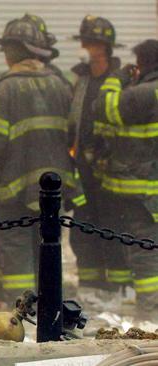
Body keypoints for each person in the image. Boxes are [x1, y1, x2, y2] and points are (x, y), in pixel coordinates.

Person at [0, 17, 84, 303]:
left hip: (14, 189)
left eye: (7, 49)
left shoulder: (5, 89)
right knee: (48, 245)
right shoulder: (61, 85)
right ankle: (50, 306)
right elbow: (73, 134)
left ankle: (22, 309)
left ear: (15, 50)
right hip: (53, 189)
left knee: (15, 246)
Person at [68, 15, 131, 307]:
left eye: (92, 43)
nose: (87, 48)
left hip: (112, 167)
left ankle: (118, 286)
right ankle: (90, 284)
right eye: (85, 42)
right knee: (83, 225)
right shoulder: (80, 79)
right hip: (82, 167)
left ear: (105, 47)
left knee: (113, 225)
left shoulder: (120, 80)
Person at [93, 39, 158, 315]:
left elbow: (103, 108)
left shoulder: (143, 94)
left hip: (145, 190)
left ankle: (151, 307)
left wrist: (115, 79)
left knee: (145, 246)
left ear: (142, 64)